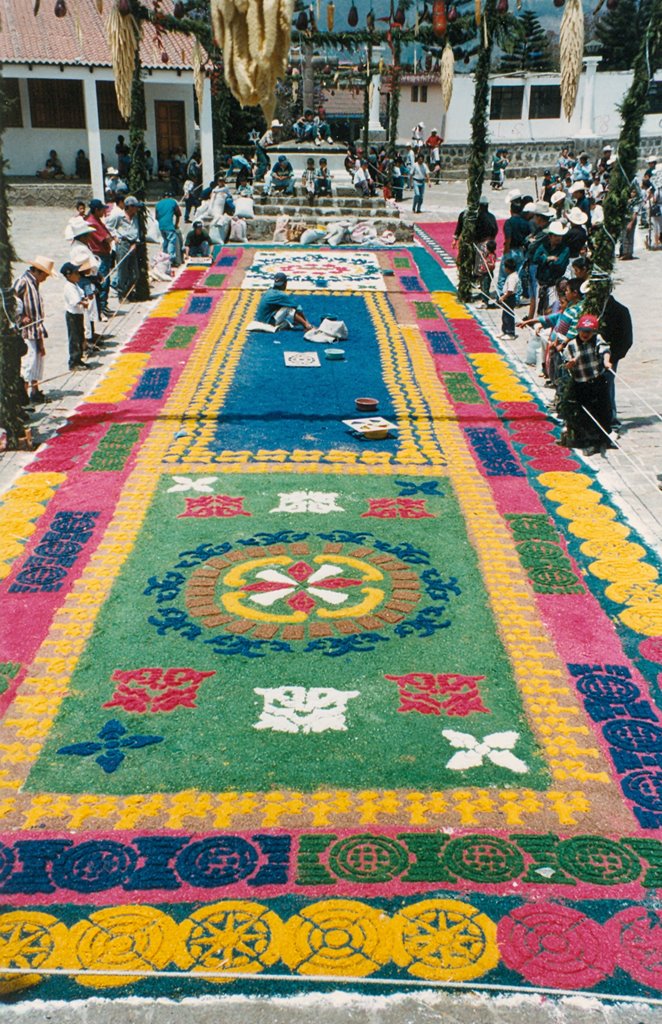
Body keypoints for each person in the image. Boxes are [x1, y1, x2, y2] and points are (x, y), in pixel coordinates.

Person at [559, 313, 613, 454]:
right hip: (581, 385)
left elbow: (604, 350)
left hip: (597, 382)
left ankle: (604, 439)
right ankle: (590, 441)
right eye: (583, 331)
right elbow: (566, 364)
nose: (585, 334)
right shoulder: (571, 345)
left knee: (603, 411)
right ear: (578, 330)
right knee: (588, 414)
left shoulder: (597, 340)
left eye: (588, 332)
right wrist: (570, 365)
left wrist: (606, 361)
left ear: (594, 332)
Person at [14, 256, 55, 404]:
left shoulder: (35, 282)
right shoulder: (23, 281)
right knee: (29, 362)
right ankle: (23, 396)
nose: (45, 278)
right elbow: (12, 301)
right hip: (26, 329)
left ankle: (35, 391)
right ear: (37, 271)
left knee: (38, 360)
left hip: (36, 329)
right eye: (45, 275)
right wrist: (22, 315)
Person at [532, 219, 570, 314]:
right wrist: (548, 259)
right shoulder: (544, 246)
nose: (558, 238)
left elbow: (559, 264)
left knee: (552, 311)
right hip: (541, 283)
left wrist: (544, 259)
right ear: (550, 236)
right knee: (541, 310)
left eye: (560, 236)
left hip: (554, 284)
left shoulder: (564, 249)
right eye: (556, 235)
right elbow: (535, 258)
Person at [60, 262, 90, 371]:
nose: (78, 275)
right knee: (75, 338)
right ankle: (73, 362)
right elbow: (75, 301)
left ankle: (79, 359)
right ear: (69, 275)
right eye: (76, 273)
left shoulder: (75, 284)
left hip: (78, 314)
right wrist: (83, 303)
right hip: (72, 315)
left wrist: (84, 299)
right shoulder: (69, 287)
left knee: (80, 336)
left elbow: (80, 295)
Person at [113, 195, 141, 300]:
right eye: (135, 207)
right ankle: (122, 294)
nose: (137, 209)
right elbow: (109, 226)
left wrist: (135, 243)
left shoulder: (135, 218)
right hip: (123, 244)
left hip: (132, 244)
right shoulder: (119, 217)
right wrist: (114, 237)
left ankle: (129, 291)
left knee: (135, 274)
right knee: (122, 271)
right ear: (129, 207)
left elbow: (136, 231)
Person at [155, 191, 182, 268]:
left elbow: (156, 217)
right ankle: (171, 259)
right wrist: (176, 225)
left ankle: (164, 258)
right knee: (171, 241)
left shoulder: (158, 204)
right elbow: (179, 214)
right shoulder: (172, 202)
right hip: (169, 226)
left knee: (165, 241)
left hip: (161, 226)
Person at [618, 187, 641, 260]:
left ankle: (627, 253)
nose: (632, 194)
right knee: (624, 236)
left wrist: (631, 223)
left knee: (629, 236)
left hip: (631, 219)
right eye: (631, 192)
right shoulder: (628, 200)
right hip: (625, 219)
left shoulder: (636, 202)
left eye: (634, 192)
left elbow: (635, 213)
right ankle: (625, 252)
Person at [499, 258, 519, 341]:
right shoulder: (512, 275)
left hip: (510, 298)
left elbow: (510, 291)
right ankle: (504, 330)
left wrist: (503, 297)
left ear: (508, 268)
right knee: (504, 315)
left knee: (508, 315)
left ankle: (510, 332)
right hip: (508, 297)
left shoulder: (512, 278)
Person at [478, 239, 498, 308]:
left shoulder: (492, 256)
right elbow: (482, 255)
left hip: (487, 274)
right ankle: (483, 299)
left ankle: (485, 302)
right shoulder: (487, 254)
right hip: (483, 273)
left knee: (485, 288)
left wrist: (487, 263)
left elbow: (493, 265)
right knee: (482, 287)